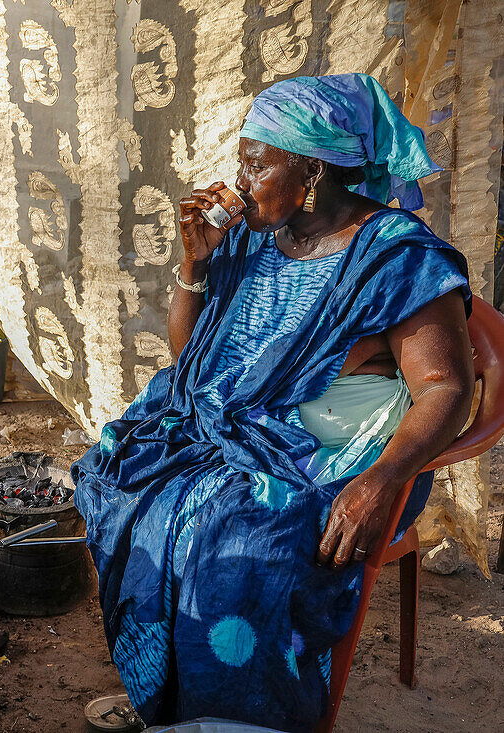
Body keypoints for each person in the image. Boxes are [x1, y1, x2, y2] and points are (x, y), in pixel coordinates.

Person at [73, 73, 474, 732]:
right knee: (124, 478)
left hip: (335, 458)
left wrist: (381, 481)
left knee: (231, 549)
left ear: (312, 169)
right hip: (234, 427)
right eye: (243, 162)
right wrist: (195, 264)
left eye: (257, 165)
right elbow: (191, 359)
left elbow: (446, 388)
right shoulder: (258, 235)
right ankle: (168, 697)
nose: (240, 179)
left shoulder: (396, 256)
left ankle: (239, 717)